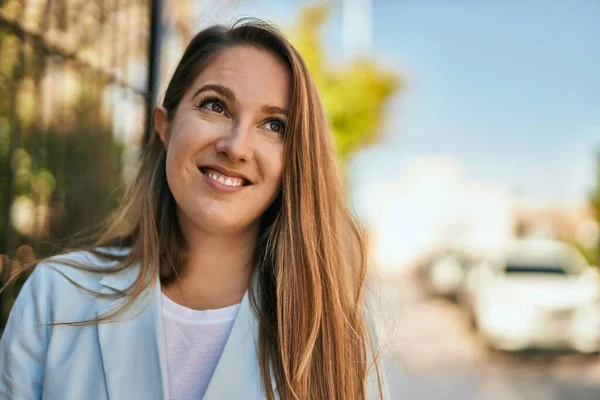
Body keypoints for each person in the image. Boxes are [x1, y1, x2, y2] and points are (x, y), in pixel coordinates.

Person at [0, 20, 389, 400]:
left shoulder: (338, 338)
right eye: (215, 106)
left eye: (274, 125)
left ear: (297, 160)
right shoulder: (55, 295)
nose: (236, 147)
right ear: (165, 126)